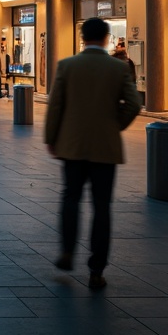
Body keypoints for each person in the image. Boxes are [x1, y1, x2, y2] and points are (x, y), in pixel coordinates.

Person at [44, 17, 142, 290]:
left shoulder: (67, 65)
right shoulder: (118, 68)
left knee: (70, 198)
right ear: (107, 38)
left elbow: (55, 106)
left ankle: (67, 251)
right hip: (105, 148)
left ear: (83, 37)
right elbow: (134, 104)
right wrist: (114, 126)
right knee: (102, 207)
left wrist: (51, 138)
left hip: (72, 146)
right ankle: (97, 269)